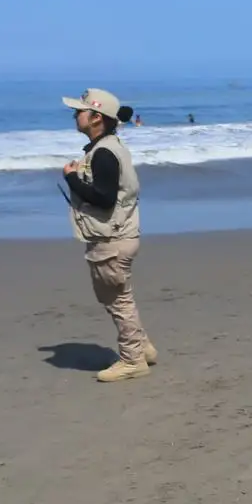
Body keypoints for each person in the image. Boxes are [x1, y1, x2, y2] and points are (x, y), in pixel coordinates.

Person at [60, 88, 158, 383]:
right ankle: (142, 348)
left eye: (80, 111)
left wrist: (72, 178)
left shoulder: (104, 153)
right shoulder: (108, 147)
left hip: (112, 240)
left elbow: (103, 199)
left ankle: (132, 360)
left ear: (96, 118)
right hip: (119, 235)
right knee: (118, 296)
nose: (75, 115)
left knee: (117, 300)